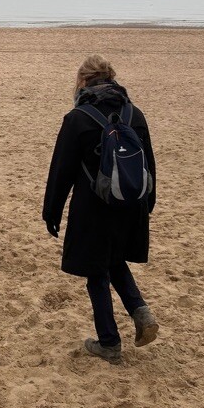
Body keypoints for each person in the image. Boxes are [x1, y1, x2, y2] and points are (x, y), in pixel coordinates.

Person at [42, 55, 158, 362]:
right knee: (114, 259)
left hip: (94, 207)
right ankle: (141, 311)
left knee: (96, 271)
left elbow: (61, 170)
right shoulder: (134, 113)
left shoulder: (78, 118)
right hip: (132, 203)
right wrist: (148, 203)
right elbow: (149, 162)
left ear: (83, 81)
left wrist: (51, 212)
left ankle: (109, 342)